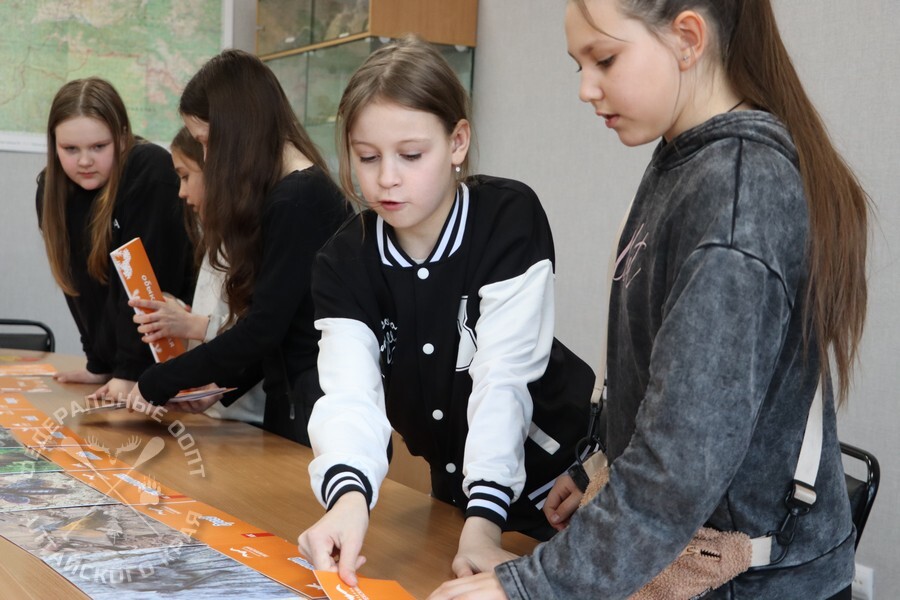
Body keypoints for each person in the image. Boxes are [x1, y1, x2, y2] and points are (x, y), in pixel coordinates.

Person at [429, 1, 869, 599]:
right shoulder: (683, 158)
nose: (586, 89)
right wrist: (600, 462)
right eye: (579, 65)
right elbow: (668, 377)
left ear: (687, 37)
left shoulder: (739, 193)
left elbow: (679, 468)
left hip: (751, 583)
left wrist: (529, 587)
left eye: (605, 60)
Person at [298, 36, 593, 587]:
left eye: (411, 155)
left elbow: (502, 380)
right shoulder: (343, 261)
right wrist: (348, 501)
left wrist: (484, 524)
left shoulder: (506, 219)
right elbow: (349, 395)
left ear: (457, 142)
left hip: (560, 486)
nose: (386, 177)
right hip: (459, 493)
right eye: (367, 157)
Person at [125, 50, 350, 445]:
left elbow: (263, 328)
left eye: (206, 141)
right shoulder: (292, 194)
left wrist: (159, 380)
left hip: (319, 413)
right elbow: (279, 326)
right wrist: (219, 385)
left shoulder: (298, 199)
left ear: (236, 130)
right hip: (296, 402)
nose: (207, 156)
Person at [36, 77, 195, 400]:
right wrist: (98, 364)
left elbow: (146, 285)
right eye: (70, 149)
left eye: (99, 147)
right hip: (122, 370)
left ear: (122, 137)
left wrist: (129, 372)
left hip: (170, 367)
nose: (84, 161)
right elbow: (79, 288)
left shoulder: (150, 171)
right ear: (54, 145)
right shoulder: (52, 189)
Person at [128, 128, 265, 425]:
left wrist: (191, 324)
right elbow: (221, 317)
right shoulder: (217, 239)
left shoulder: (251, 242)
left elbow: (257, 332)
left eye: (186, 176)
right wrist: (179, 314)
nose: (181, 191)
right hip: (215, 409)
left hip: (247, 416)